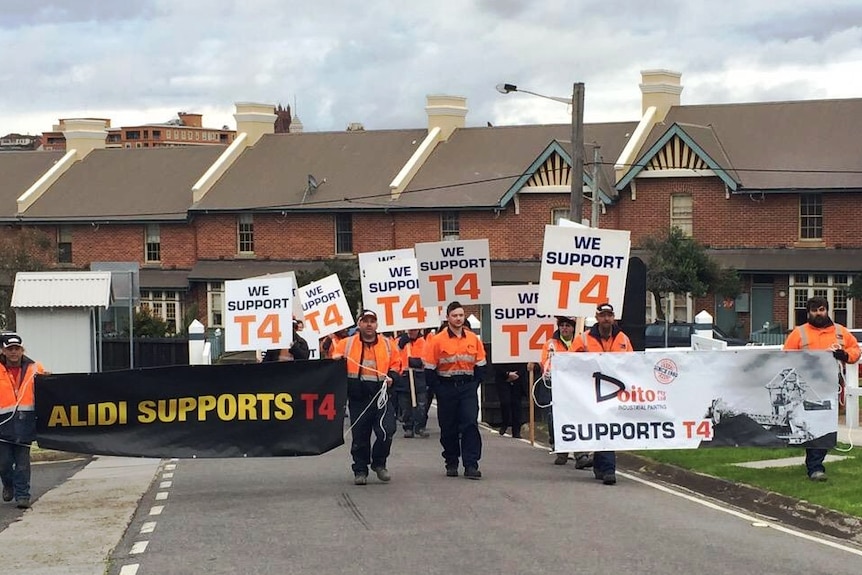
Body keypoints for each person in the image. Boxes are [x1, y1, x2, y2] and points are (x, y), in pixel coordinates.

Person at [782, 296, 860, 481]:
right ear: (808, 312)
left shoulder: (841, 332)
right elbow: (785, 356)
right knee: (812, 426)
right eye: (815, 310)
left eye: (822, 309)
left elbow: (855, 350)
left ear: (827, 310)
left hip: (831, 387)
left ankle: (815, 465)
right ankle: (814, 466)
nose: (819, 313)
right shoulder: (799, 333)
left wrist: (845, 354)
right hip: (805, 388)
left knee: (824, 427)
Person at [332, 310, 401, 485]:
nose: (369, 324)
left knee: (387, 431)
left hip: (382, 396)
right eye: (365, 321)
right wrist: (337, 360)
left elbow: (397, 364)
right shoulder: (346, 344)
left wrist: (393, 376)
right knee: (360, 436)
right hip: (358, 397)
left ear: (377, 324)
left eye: (373, 321)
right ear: (359, 323)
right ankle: (360, 469)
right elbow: (333, 362)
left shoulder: (388, 344)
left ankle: (379, 463)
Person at [571, 303, 633, 486]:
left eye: (609, 315)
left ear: (614, 317)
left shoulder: (623, 339)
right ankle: (606, 468)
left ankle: (603, 466)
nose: (607, 319)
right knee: (602, 425)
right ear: (597, 318)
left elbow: (632, 363)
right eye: (603, 315)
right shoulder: (583, 339)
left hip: (614, 391)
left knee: (606, 425)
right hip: (591, 390)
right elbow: (569, 362)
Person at [424, 301, 487, 479]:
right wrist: (438, 389)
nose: (458, 318)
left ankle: (471, 465)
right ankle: (451, 461)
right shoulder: (437, 340)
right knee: (449, 427)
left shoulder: (473, 339)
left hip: (467, 388)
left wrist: (475, 384)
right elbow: (429, 368)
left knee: (470, 424)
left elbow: (481, 364)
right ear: (448, 318)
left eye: (461, 315)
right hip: (446, 388)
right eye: (455, 315)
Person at [0, 334, 47, 508]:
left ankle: (22, 496)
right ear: (3, 351)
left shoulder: (36, 368)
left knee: (22, 463)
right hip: (2, 424)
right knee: (3, 463)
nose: (14, 352)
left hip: (24, 423)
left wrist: (50, 379)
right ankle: (8, 484)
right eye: (10, 349)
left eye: (16, 349)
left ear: (22, 350)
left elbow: (51, 388)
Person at [540, 316, 593, 467]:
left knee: (575, 417)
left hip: (575, 386)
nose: (564, 328)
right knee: (555, 417)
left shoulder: (581, 342)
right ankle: (560, 447)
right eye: (562, 325)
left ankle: (579, 454)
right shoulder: (550, 344)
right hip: (556, 385)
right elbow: (545, 363)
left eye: (568, 325)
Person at [396, 328, 430, 438]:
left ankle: (420, 427)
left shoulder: (423, 342)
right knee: (405, 405)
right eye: (410, 330)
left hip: (419, 377)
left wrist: (414, 362)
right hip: (404, 377)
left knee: (421, 404)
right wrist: (400, 346)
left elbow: (426, 359)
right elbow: (394, 356)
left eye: (414, 330)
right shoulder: (400, 342)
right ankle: (408, 427)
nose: (411, 332)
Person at [493, 361, 527, 438]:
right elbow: (496, 362)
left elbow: (524, 361)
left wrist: (517, 374)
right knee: (505, 402)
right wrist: (507, 373)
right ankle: (505, 423)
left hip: (519, 378)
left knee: (517, 405)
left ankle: (516, 431)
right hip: (502, 378)